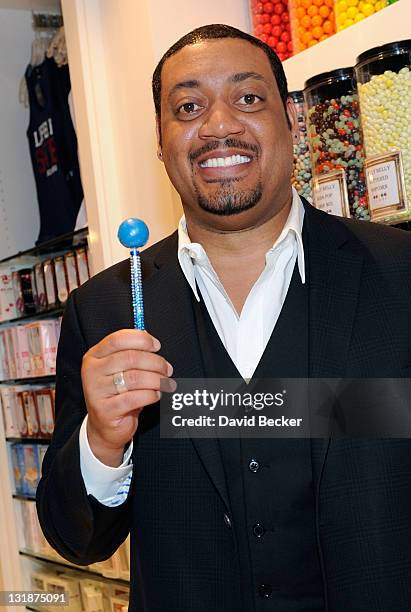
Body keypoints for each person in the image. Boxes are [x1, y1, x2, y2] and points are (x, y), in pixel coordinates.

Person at [36, 24, 411, 612]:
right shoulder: (103, 309)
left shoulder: (401, 276)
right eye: (187, 107)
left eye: (249, 98)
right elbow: (77, 537)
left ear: (291, 120)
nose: (218, 125)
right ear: (160, 141)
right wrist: (103, 443)